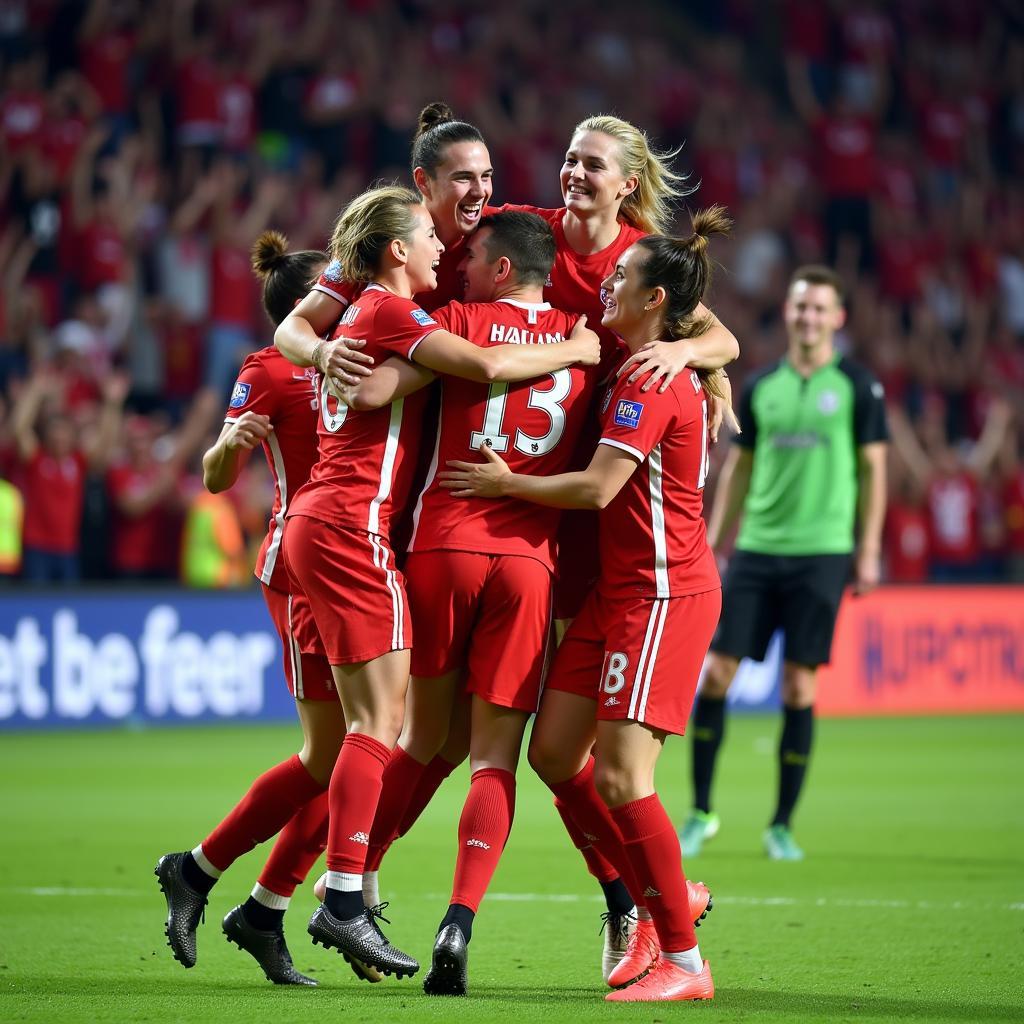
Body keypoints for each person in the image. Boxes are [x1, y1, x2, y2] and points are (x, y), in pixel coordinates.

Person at [276, 184, 599, 980]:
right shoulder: (580, 334)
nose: (447, 261)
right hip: (530, 562)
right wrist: (584, 351)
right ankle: (455, 923)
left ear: (495, 268)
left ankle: (353, 878)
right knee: (492, 758)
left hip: (440, 548)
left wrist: (325, 354)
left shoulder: (453, 320)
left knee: (416, 737)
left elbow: (379, 388)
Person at [441, 209, 734, 1002]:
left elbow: (600, 486)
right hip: (615, 591)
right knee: (555, 755)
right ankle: (668, 898)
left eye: (621, 278)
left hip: (662, 593)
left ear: (657, 299)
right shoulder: (636, 362)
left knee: (624, 778)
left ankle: (682, 955)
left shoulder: (652, 379)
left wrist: (509, 486)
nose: (607, 282)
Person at [155, 232, 342, 986]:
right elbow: (212, 474)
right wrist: (232, 443)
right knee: (335, 754)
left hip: (360, 565)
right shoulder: (271, 367)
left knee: (362, 752)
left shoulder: (364, 357)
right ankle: (207, 877)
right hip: (300, 571)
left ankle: (250, 903)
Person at [679, 264, 889, 863]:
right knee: (716, 674)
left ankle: (781, 825)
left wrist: (867, 549)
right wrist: (712, 541)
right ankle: (701, 812)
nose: (808, 317)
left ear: (838, 318)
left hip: (822, 552)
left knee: (799, 684)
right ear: (789, 313)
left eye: (820, 308)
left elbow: (874, 470)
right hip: (758, 549)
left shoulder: (857, 386)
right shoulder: (763, 384)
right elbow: (739, 469)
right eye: (800, 307)